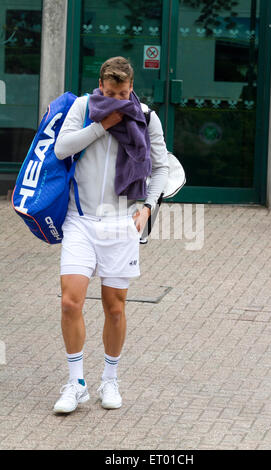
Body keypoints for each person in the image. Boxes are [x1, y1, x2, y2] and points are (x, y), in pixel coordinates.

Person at [52, 56, 169, 413]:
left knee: (114, 307)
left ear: (131, 87)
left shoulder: (146, 116)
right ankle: (76, 383)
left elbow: (162, 166)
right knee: (70, 301)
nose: (117, 99)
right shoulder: (83, 107)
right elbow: (61, 148)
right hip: (81, 219)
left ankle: (110, 380)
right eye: (110, 91)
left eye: (122, 93)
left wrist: (148, 207)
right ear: (100, 85)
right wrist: (103, 125)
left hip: (121, 222)